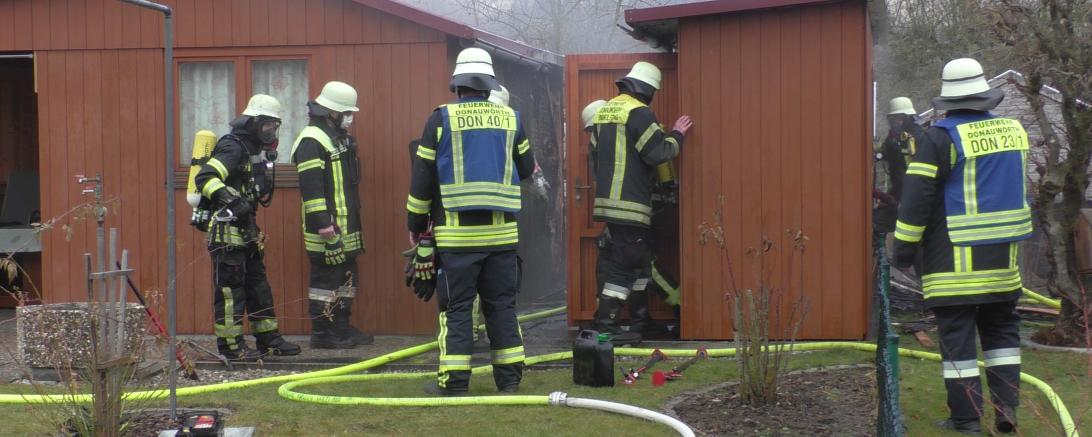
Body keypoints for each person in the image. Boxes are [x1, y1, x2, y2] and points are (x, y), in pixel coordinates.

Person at [894, 58, 1029, 435]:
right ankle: (1007, 411)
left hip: (953, 262)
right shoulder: (1014, 131)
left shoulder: (939, 138)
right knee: (1002, 338)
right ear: (985, 95)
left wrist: (903, 252)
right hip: (1004, 261)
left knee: (958, 343)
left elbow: (915, 202)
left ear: (948, 101)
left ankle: (967, 419)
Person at [405, 47, 537, 395]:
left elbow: (422, 180)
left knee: (458, 310)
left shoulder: (439, 120)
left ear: (457, 85)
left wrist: (417, 225)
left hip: (457, 240)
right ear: (490, 83)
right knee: (502, 309)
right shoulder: (512, 118)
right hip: (502, 237)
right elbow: (526, 170)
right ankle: (509, 382)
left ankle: (454, 384)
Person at [589, 61, 693, 346]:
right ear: (648, 90)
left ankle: (640, 322)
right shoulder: (639, 113)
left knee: (637, 264)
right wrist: (677, 135)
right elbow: (659, 152)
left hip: (609, 205)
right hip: (632, 206)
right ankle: (604, 330)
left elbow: (595, 159)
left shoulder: (604, 112)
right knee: (624, 268)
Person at [194, 94, 301, 360]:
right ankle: (232, 347)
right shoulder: (233, 147)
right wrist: (230, 199)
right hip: (226, 230)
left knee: (258, 287)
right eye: (266, 125)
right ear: (253, 123)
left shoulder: (252, 151)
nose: (270, 131)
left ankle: (269, 340)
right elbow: (206, 177)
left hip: (247, 230)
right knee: (231, 292)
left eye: (274, 127)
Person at [291, 81, 373, 349]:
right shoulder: (312, 141)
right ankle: (323, 334)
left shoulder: (338, 138)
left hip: (346, 228)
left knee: (347, 281)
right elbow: (312, 189)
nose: (351, 118)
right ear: (331, 113)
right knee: (325, 284)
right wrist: (324, 227)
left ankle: (341, 328)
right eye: (346, 113)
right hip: (327, 230)